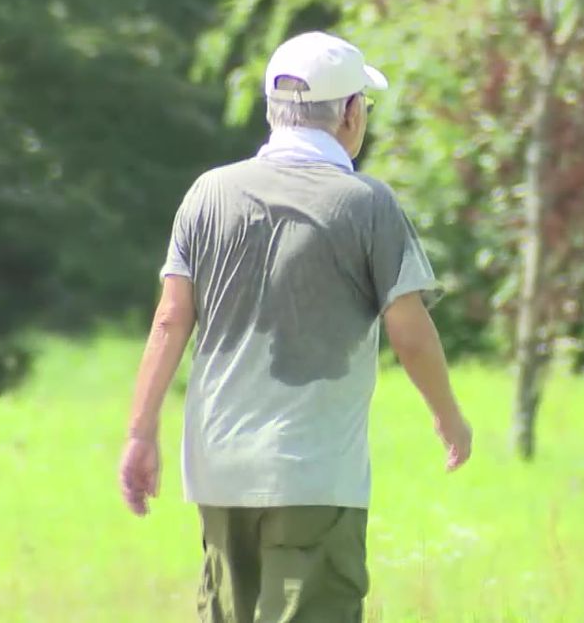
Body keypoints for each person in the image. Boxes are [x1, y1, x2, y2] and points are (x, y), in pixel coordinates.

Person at [118, 30, 472, 623]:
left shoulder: (208, 194)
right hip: (313, 472)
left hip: (220, 469)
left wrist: (139, 433)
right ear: (351, 114)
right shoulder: (366, 204)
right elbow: (408, 329)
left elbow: (170, 319)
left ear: (272, 111)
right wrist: (448, 417)